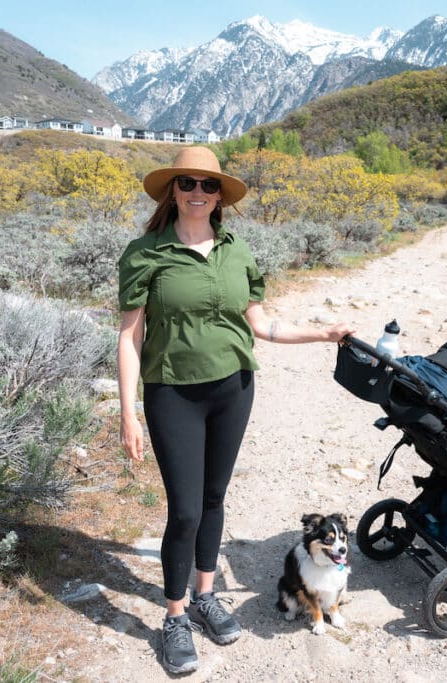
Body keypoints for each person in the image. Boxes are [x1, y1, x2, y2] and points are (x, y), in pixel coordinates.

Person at [117, 146, 354, 674]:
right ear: (172, 191)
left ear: (219, 194)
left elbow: (262, 325)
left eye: (207, 185)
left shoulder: (236, 250)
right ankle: (175, 617)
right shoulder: (145, 253)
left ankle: (205, 595)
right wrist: (128, 411)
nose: (197, 193)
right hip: (172, 391)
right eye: (187, 184)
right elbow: (130, 336)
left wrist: (324, 332)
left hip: (233, 389)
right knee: (184, 511)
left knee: (214, 496)